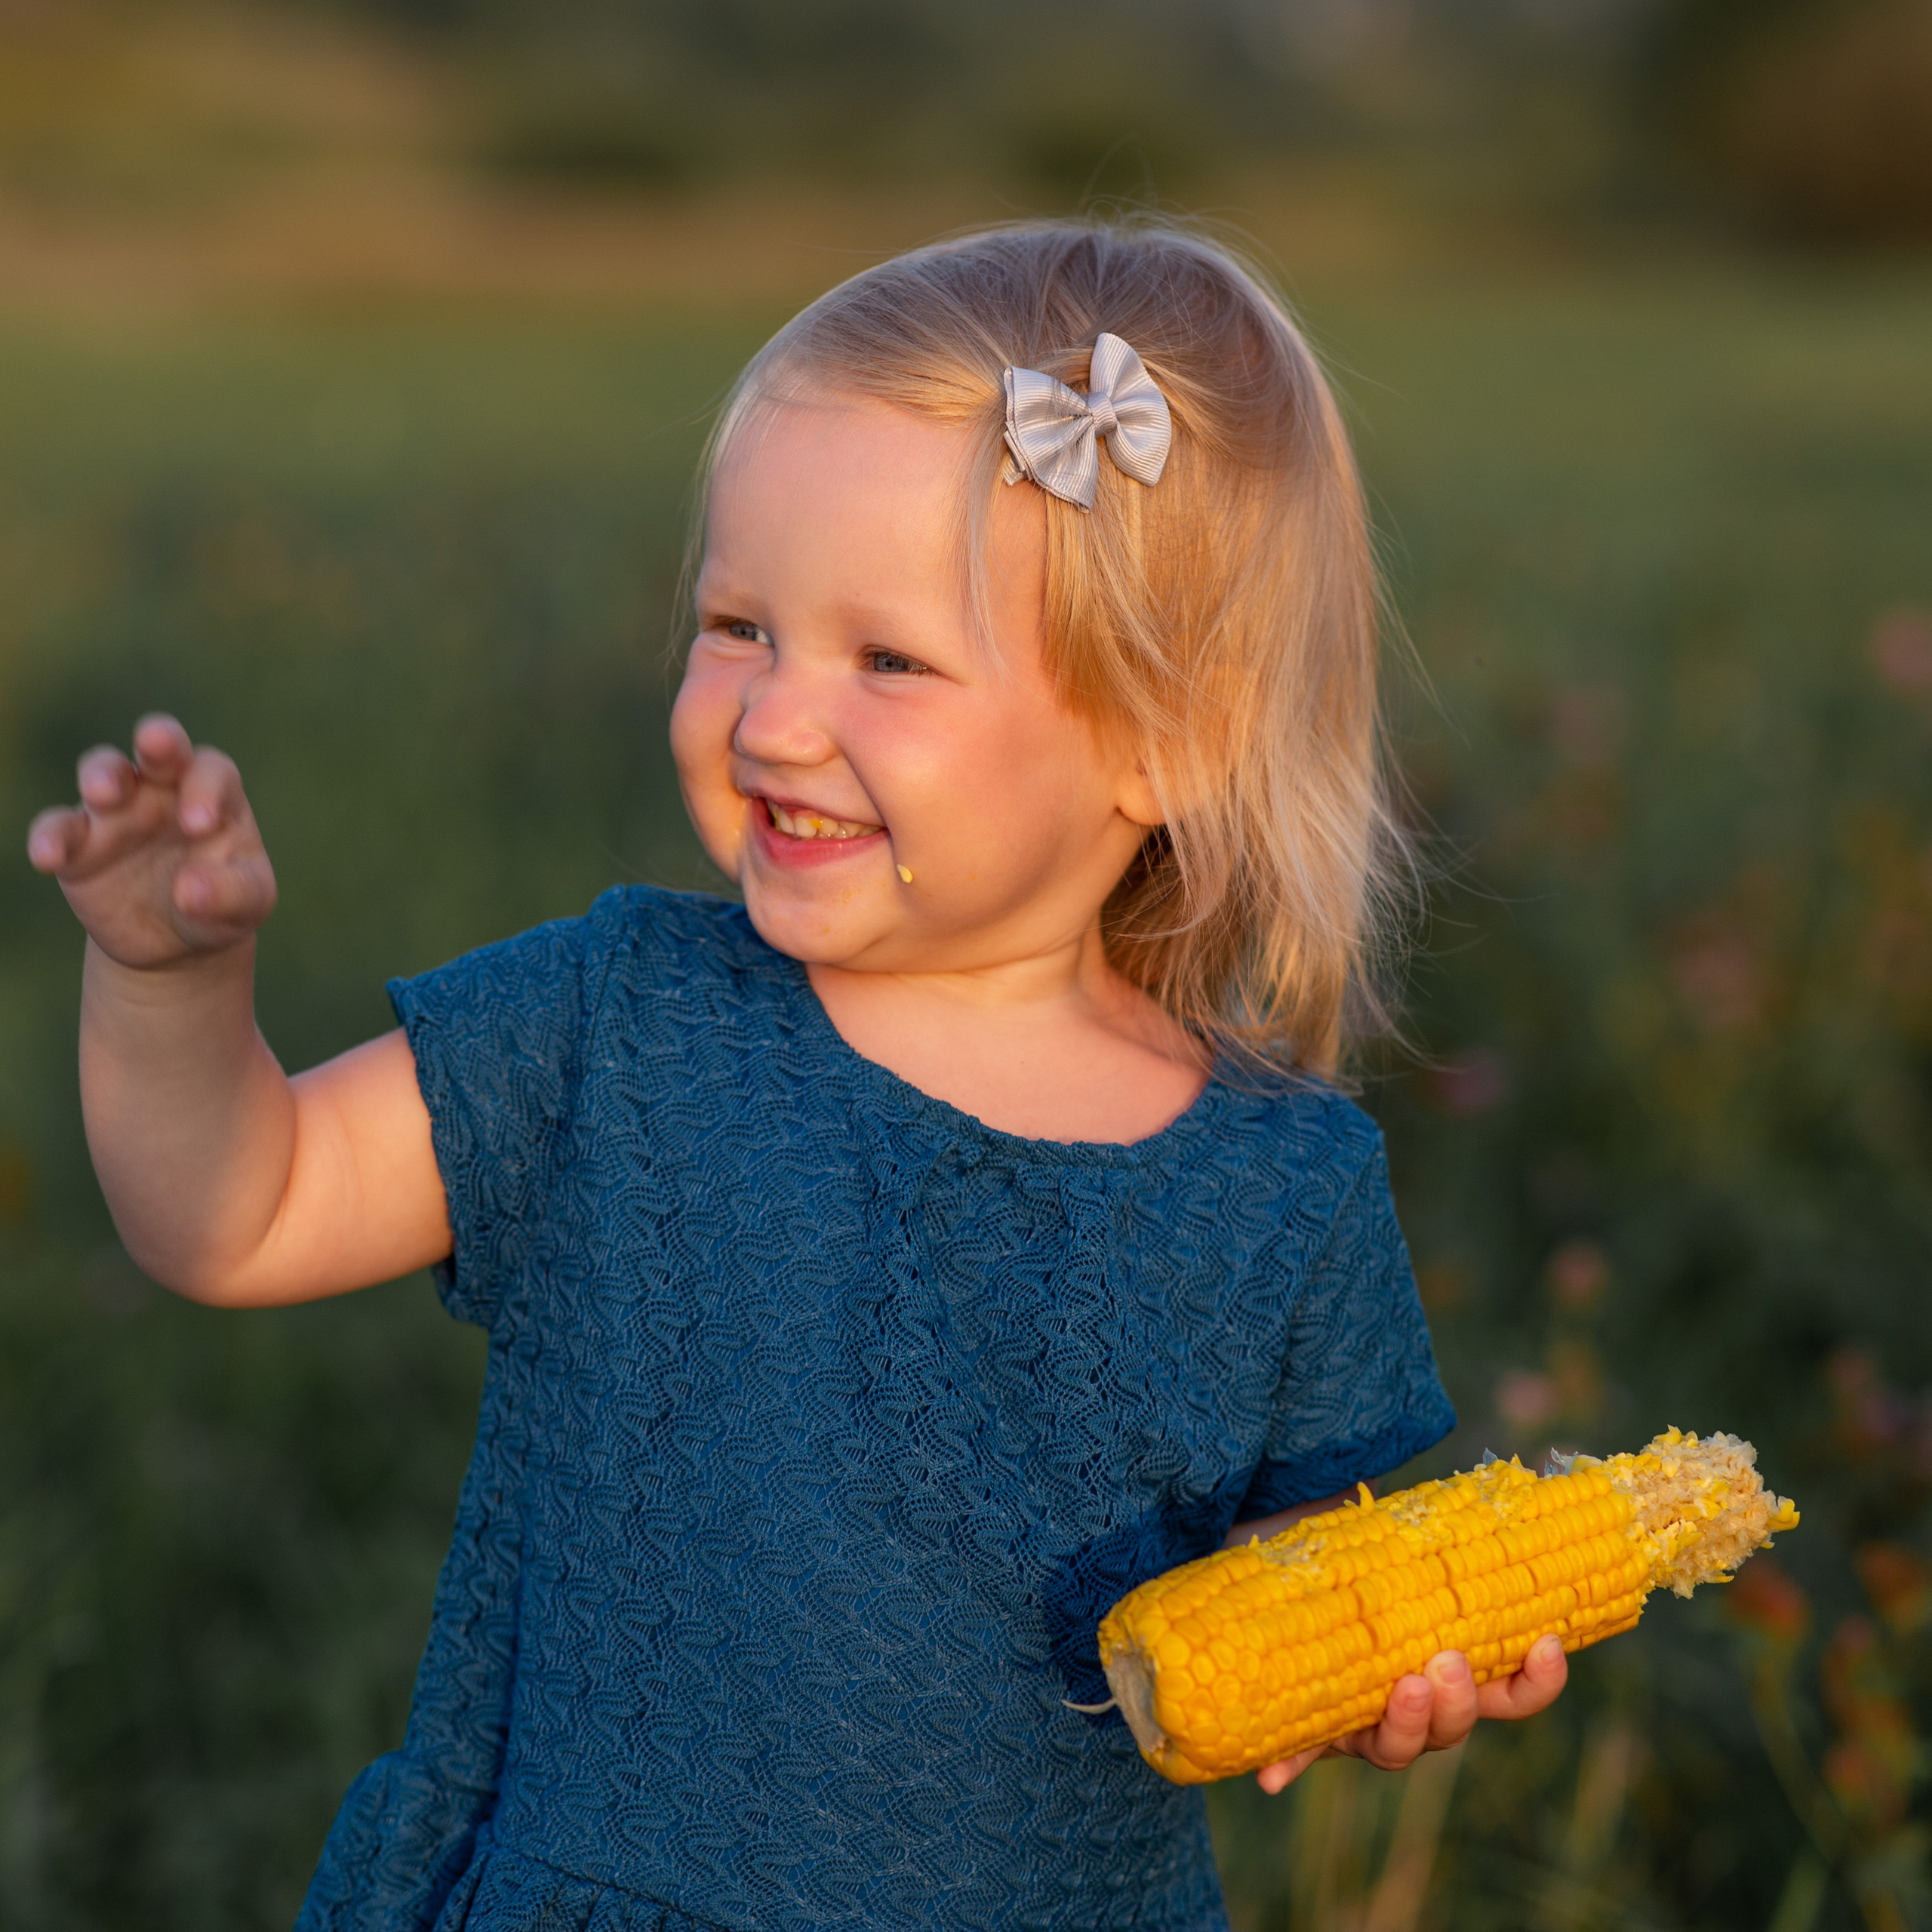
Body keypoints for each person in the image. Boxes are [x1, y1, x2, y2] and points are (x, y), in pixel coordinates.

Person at [26, 218, 1566, 1931]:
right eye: (738, 623)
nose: (769, 718)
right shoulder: (624, 1023)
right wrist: (168, 977)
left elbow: (1331, 1581)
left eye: (884, 659)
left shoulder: (1279, 1187)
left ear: (1166, 740)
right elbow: (239, 1211)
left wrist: (1397, 1677)